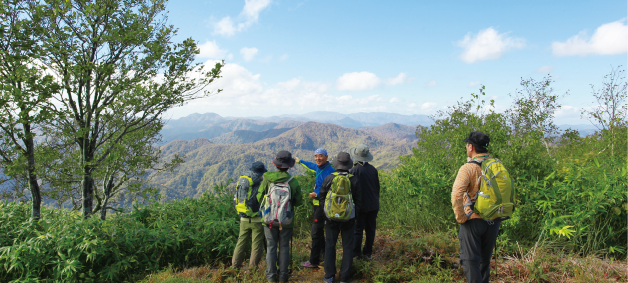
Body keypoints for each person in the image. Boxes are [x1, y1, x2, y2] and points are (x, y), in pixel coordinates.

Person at [452, 131, 500, 283]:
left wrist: (461, 218)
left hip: (473, 220)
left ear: (471, 147)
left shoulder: (468, 168)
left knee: (470, 262)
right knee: (484, 262)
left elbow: (456, 194)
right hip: (494, 220)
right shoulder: (497, 166)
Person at [257, 150, 303, 283]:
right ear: (289, 166)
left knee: (271, 247)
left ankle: (271, 277)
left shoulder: (267, 178)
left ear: (276, 164)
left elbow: (259, 196)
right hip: (286, 221)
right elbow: (298, 202)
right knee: (284, 247)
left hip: (268, 220)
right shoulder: (293, 182)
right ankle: (283, 276)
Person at [316, 152, 361, 283]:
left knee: (330, 246)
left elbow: (322, 198)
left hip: (331, 219)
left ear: (336, 164)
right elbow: (358, 202)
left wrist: (326, 215)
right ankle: (344, 277)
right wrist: (354, 217)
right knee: (347, 247)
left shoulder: (329, 178)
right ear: (348, 165)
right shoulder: (354, 179)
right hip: (349, 219)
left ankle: (329, 276)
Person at [294, 148, 335, 268]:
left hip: (322, 205)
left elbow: (330, 189)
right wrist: (300, 161)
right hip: (317, 204)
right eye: (316, 156)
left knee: (315, 233)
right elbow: (311, 165)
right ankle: (322, 253)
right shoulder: (320, 167)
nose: (318, 158)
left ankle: (314, 261)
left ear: (326, 157)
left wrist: (316, 194)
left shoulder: (329, 171)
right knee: (319, 230)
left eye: (321, 156)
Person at [231, 161, 267, 269]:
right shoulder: (259, 180)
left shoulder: (244, 178)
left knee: (241, 242)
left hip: (243, 216)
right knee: (256, 244)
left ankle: (234, 266)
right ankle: (252, 269)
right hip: (256, 217)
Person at [349, 144, 380, 261]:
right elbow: (377, 188)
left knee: (358, 230)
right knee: (370, 230)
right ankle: (368, 253)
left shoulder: (353, 171)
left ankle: (356, 254)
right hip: (373, 204)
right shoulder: (373, 170)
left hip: (360, 206)